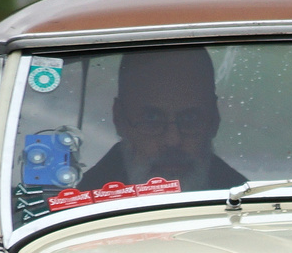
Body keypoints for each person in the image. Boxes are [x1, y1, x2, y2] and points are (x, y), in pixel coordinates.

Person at [82, 47, 246, 192]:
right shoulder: (74, 213)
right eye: (151, 118)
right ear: (119, 119)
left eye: (190, 118)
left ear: (214, 119)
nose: (172, 140)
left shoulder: (255, 204)